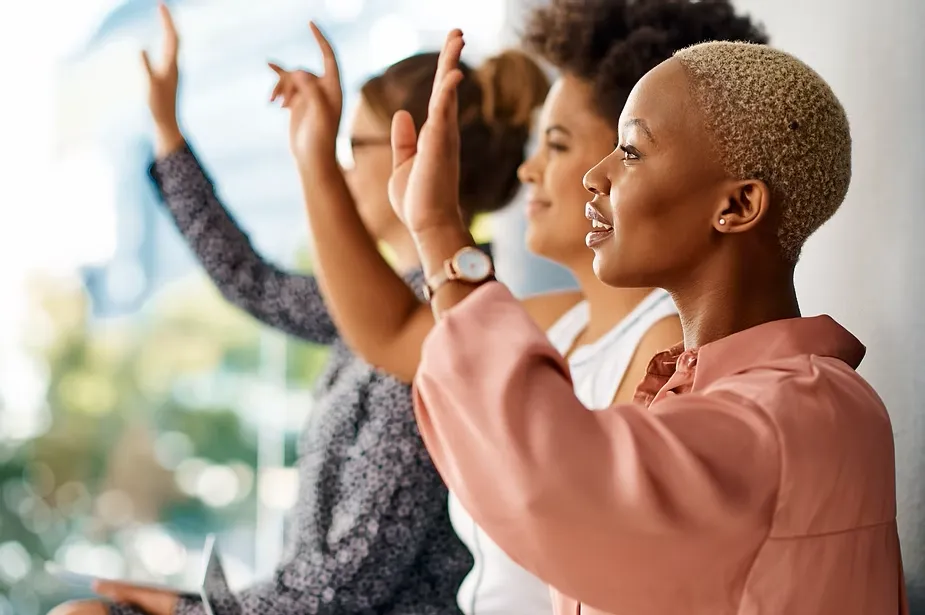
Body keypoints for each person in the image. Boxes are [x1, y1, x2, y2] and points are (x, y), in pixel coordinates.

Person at [385, 28, 908, 615]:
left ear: (736, 207)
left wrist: (438, 233)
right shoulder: (719, 394)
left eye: (631, 151)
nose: (596, 174)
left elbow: (549, 484)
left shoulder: (793, 414)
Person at [49, 3, 548, 615]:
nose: (337, 163)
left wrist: (187, 609)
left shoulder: (449, 328)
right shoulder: (406, 303)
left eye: (350, 143)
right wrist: (168, 135)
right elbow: (251, 282)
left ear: (414, 154)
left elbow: (347, 584)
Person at [268, 1, 765, 613]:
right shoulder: (557, 321)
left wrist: (439, 228)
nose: (529, 170)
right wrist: (315, 155)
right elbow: (392, 331)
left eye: (557, 144)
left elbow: (571, 514)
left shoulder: (666, 357)